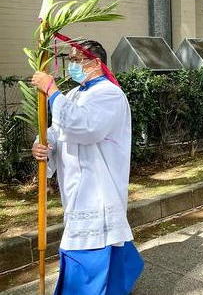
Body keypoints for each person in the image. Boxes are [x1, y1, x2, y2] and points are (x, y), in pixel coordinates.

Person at [31, 40, 144, 295]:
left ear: (95, 62)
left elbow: (85, 128)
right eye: (70, 60)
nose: (72, 65)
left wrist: (52, 91)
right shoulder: (73, 94)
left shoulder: (109, 94)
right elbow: (57, 131)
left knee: (90, 247)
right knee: (99, 241)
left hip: (98, 186)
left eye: (76, 60)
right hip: (76, 185)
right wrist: (42, 145)